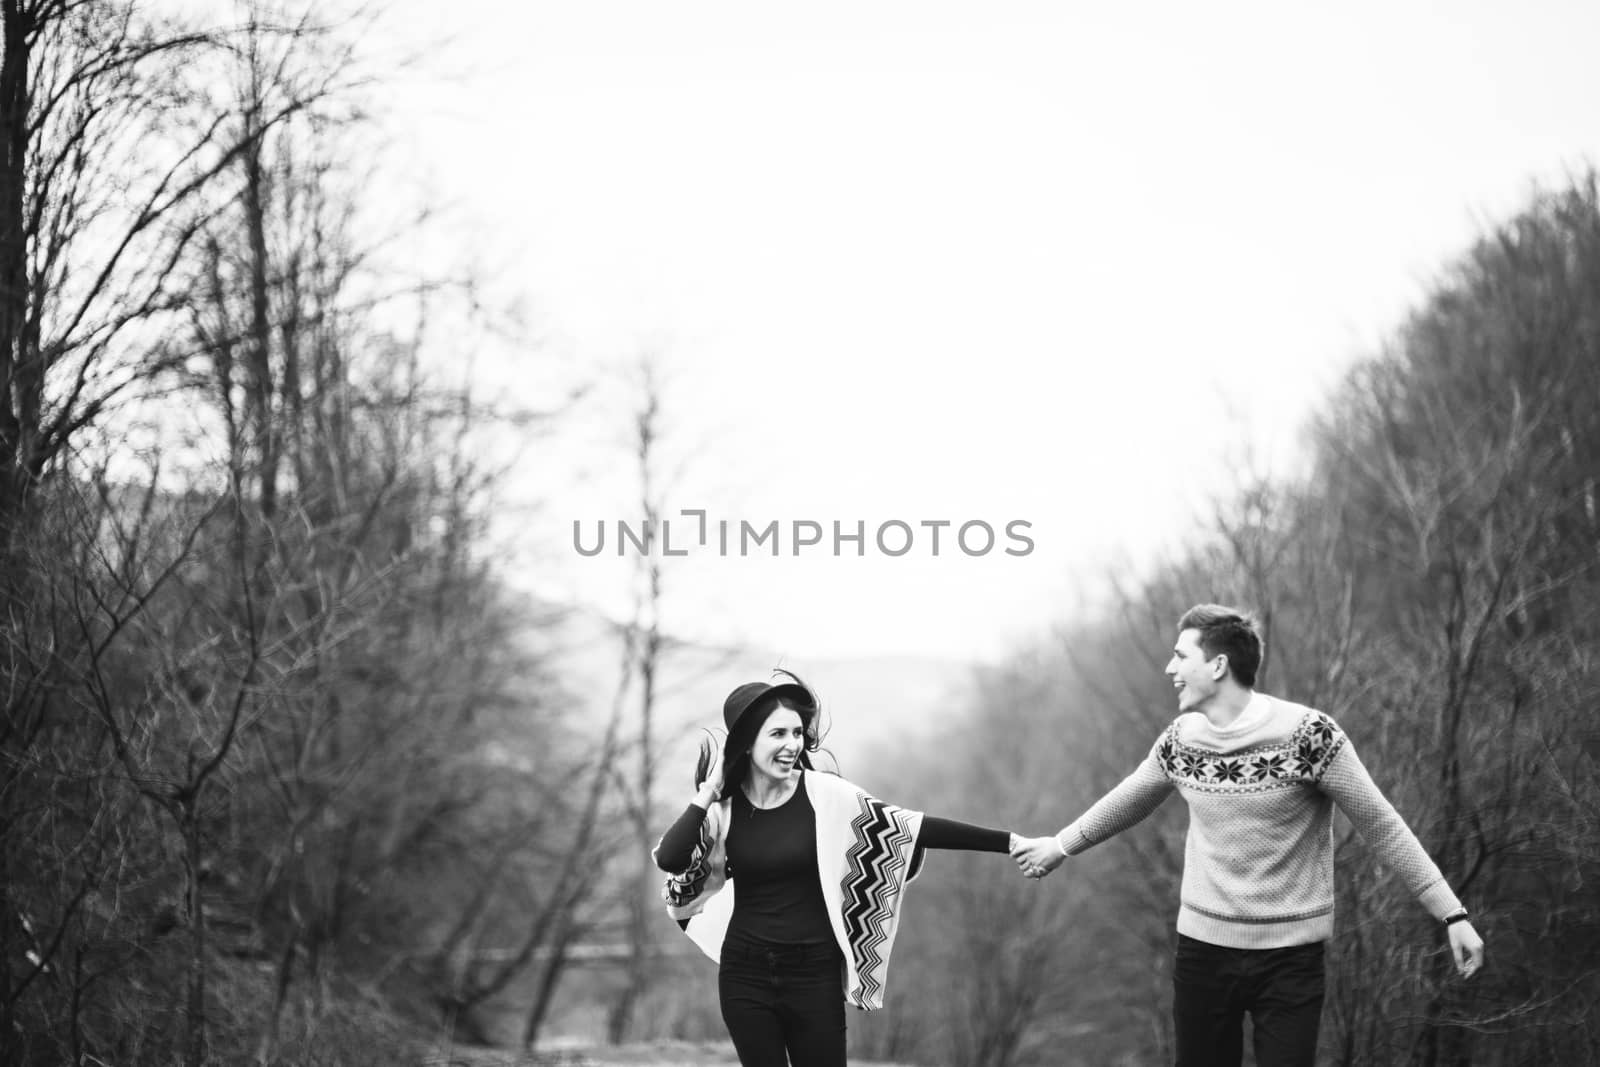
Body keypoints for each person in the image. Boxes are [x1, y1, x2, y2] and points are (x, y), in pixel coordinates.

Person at [1010, 604, 1486, 1067]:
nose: (1169, 668)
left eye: (1181, 656)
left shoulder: (1310, 736)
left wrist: (1451, 913)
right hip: (1202, 954)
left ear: (1218, 665)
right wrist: (1061, 844)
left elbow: (1381, 825)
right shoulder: (1182, 739)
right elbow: (1130, 798)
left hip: (1290, 961)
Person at [654, 670, 1018, 1067]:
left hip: (813, 976)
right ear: (746, 743)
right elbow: (671, 859)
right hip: (746, 975)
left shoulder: (825, 796)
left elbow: (911, 826)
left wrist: (1010, 843)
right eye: (778, 734)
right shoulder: (723, 812)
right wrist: (709, 790)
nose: (792, 744)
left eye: (797, 733)